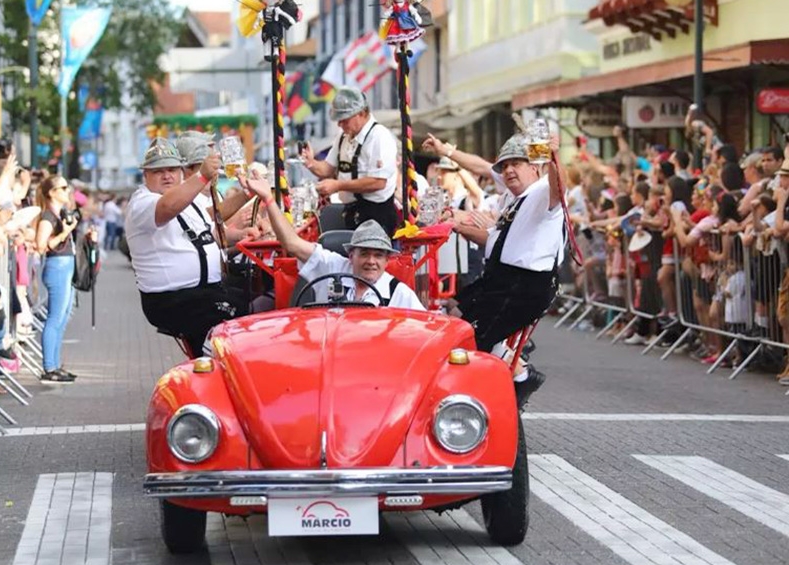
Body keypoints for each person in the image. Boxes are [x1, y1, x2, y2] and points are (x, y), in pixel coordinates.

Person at [451, 134, 567, 408]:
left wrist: (554, 157)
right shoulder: (516, 199)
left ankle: (483, 396)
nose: (508, 170)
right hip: (502, 280)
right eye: (504, 166)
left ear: (534, 167)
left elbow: (559, 188)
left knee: (470, 338)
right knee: (454, 312)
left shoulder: (541, 192)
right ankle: (520, 374)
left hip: (523, 285)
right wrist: (457, 227)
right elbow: (494, 241)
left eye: (516, 163)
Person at [125, 138, 248, 358]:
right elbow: (166, 207)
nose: (167, 175)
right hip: (174, 298)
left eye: (172, 169)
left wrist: (248, 195)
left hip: (202, 292)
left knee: (256, 297)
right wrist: (201, 177)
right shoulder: (143, 202)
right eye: (158, 171)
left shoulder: (190, 200)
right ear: (145, 176)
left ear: (181, 172)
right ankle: (220, 374)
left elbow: (211, 230)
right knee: (242, 316)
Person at [241, 175, 425, 310]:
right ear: (351, 256)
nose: (371, 261)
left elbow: (423, 327)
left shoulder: (399, 293)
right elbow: (291, 243)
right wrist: (269, 199)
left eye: (378, 255)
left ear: (387, 261)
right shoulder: (332, 265)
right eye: (364, 253)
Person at [299, 87, 399, 236]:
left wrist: (338, 185)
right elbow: (327, 169)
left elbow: (378, 182)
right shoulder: (344, 136)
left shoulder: (379, 137)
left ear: (361, 113)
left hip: (376, 215)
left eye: (344, 120)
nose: (340, 124)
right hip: (352, 212)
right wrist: (311, 162)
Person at [35, 175, 79, 384]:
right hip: (57, 266)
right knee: (54, 318)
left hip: (66, 265)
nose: (67, 190)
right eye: (63, 187)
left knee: (62, 318)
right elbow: (41, 245)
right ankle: (49, 366)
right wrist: (66, 233)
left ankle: (55, 363)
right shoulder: (47, 217)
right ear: (52, 192)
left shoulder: (59, 213)